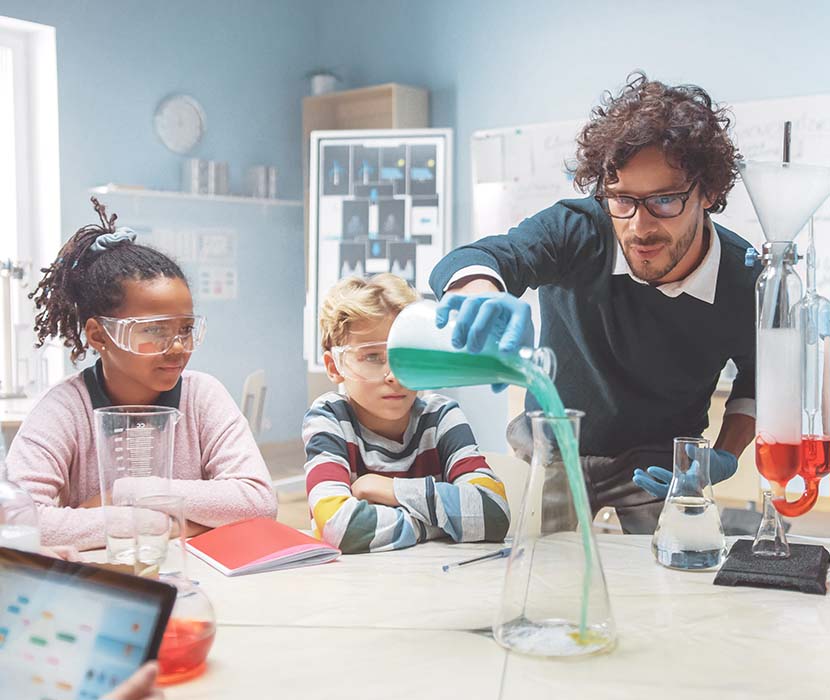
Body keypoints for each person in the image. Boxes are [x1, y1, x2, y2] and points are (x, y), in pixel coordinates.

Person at [429, 73, 759, 533]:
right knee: (537, 581)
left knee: (670, 585)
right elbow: (479, 258)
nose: (639, 227)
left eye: (665, 200)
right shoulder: (578, 229)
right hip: (552, 444)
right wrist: (481, 293)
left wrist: (723, 455)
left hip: (657, 467)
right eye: (622, 199)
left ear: (709, 193)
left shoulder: (744, 280)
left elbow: (757, 379)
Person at [6, 198, 277, 550]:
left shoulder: (203, 396)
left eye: (185, 328)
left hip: (194, 581)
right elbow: (15, 521)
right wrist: (158, 521)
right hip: (104, 587)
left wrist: (126, 492)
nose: (178, 347)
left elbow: (257, 499)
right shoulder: (63, 409)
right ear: (99, 335)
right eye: (154, 330)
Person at [302, 273, 510, 553]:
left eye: (405, 355)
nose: (393, 376)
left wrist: (386, 489)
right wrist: (440, 525)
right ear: (334, 366)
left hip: (436, 583)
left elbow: (493, 513)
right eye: (372, 357)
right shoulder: (329, 419)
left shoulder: (440, 416)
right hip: (352, 589)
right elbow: (341, 527)